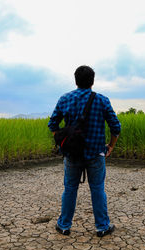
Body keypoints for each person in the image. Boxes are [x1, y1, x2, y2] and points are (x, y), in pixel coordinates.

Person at [48, 65, 121, 237]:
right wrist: (110, 146)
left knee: (70, 189)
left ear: (75, 80)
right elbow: (116, 127)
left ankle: (64, 226)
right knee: (97, 189)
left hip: (72, 154)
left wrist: (62, 142)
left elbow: (53, 124)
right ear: (92, 81)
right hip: (96, 153)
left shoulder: (65, 99)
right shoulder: (102, 100)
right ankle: (102, 227)